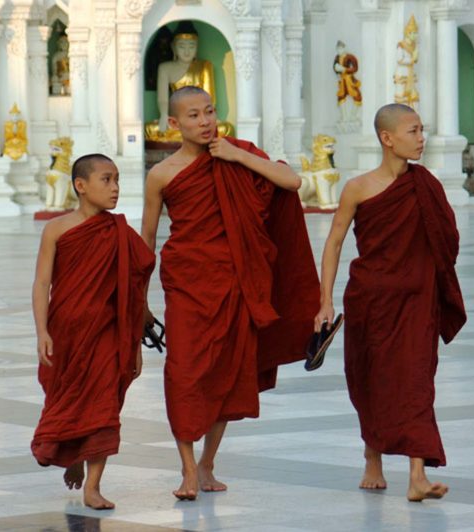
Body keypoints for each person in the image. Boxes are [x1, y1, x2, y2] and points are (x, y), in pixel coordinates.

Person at [141, 86, 320, 500]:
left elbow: (292, 182)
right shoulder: (162, 175)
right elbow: (146, 240)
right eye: (193, 116)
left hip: (236, 281)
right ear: (173, 124)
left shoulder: (239, 153)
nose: (204, 121)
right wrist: (140, 301)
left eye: (209, 111)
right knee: (184, 373)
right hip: (188, 283)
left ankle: (207, 463)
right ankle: (187, 468)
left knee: (227, 372)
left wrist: (238, 156)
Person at [314, 103, 466, 502]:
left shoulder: (426, 185)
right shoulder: (358, 188)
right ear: (387, 138)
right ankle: (373, 456)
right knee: (371, 379)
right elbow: (333, 243)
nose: (421, 139)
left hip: (417, 299)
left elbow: (446, 240)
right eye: (413, 131)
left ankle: (417, 474)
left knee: (417, 380)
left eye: (422, 130)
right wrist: (324, 301)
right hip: (371, 299)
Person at [31, 154, 155, 509]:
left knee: (103, 405)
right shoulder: (57, 229)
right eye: (106, 180)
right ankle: (71, 453)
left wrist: (136, 344)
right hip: (66, 332)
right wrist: (42, 331)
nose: (115, 188)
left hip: (106, 333)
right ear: (80, 186)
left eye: (117, 180)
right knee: (66, 399)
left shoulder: (120, 232)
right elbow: (41, 283)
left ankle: (93, 486)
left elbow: (134, 286)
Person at [144, 23, 234, 142]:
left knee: (226, 129)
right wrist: (164, 115)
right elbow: (163, 99)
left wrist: (208, 117)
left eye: (191, 46)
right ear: (173, 47)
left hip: (200, 119)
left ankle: (190, 135)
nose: (187, 52)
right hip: (178, 120)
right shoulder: (165, 68)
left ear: (197, 48)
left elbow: (209, 98)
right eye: (181, 46)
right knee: (149, 129)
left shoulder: (205, 66)